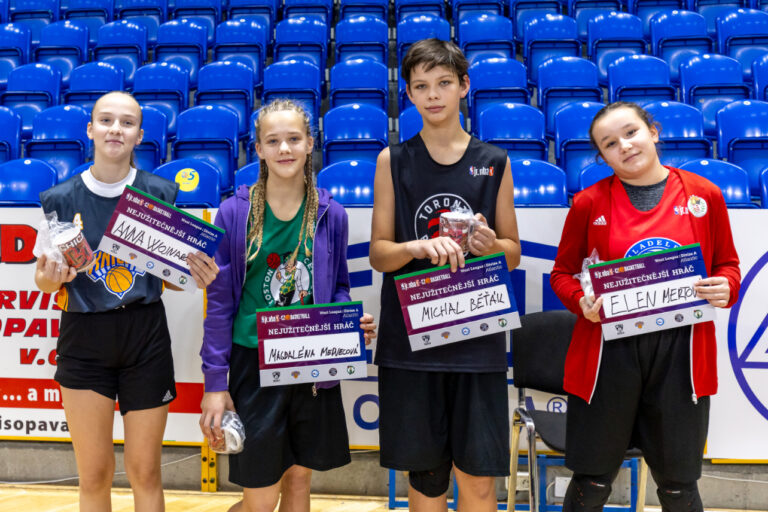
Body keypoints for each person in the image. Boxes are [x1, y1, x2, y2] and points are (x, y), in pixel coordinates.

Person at [550, 101, 741, 512]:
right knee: (592, 480)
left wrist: (727, 287)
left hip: (680, 354)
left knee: (678, 486)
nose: (624, 145)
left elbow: (727, 265)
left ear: (653, 132)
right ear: (602, 157)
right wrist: (581, 301)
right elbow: (562, 274)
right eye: (609, 143)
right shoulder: (588, 203)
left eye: (631, 132)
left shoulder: (703, 195)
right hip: (608, 353)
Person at [34, 91, 220, 512]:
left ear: (140, 135)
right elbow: (44, 281)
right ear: (90, 130)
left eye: (127, 122)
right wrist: (50, 276)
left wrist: (193, 274)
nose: (115, 129)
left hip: (144, 333)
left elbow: (172, 281)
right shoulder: (60, 198)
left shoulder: (159, 193)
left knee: (146, 472)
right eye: (106, 120)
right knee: (93, 475)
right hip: (84, 336)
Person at [199, 98, 378, 512]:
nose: (284, 149)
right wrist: (215, 385)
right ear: (258, 149)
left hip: (311, 360)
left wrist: (347, 323)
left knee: (299, 482)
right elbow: (219, 307)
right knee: (260, 497)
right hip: (253, 363)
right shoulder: (233, 213)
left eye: (294, 139)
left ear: (310, 144)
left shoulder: (332, 214)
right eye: (273, 141)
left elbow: (338, 287)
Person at [370, 39, 521, 512]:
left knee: (478, 481)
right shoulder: (392, 160)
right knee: (426, 480)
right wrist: (414, 247)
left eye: (443, 83)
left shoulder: (494, 161)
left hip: (476, 339)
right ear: (408, 94)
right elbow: (379, 254)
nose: (433, 95)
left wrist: (490, 246)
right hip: (411, 343)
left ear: (463, 86)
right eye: (421, 86)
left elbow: (513, 254)